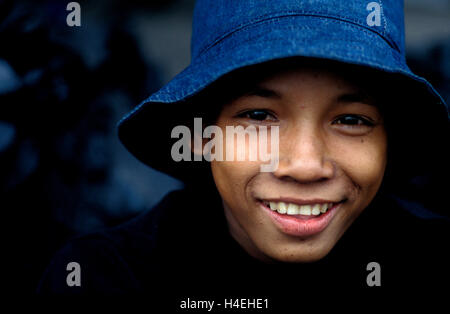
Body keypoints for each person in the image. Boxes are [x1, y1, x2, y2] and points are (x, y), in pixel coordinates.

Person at [38, 0, 449, 306]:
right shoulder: (105, 284)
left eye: (352, 120)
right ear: (202, 135)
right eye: (258, 115)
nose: (305, 165)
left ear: (388, 141)